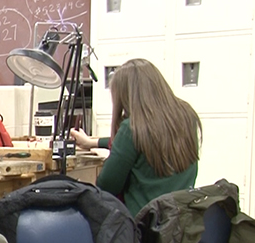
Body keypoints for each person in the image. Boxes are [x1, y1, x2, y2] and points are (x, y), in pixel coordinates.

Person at [70, 58, 202, 216]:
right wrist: (91, 142)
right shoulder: (187, 116)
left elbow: (107, 186)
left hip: (143, 224)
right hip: (179, 222)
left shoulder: (132, 128)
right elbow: (148, 141)